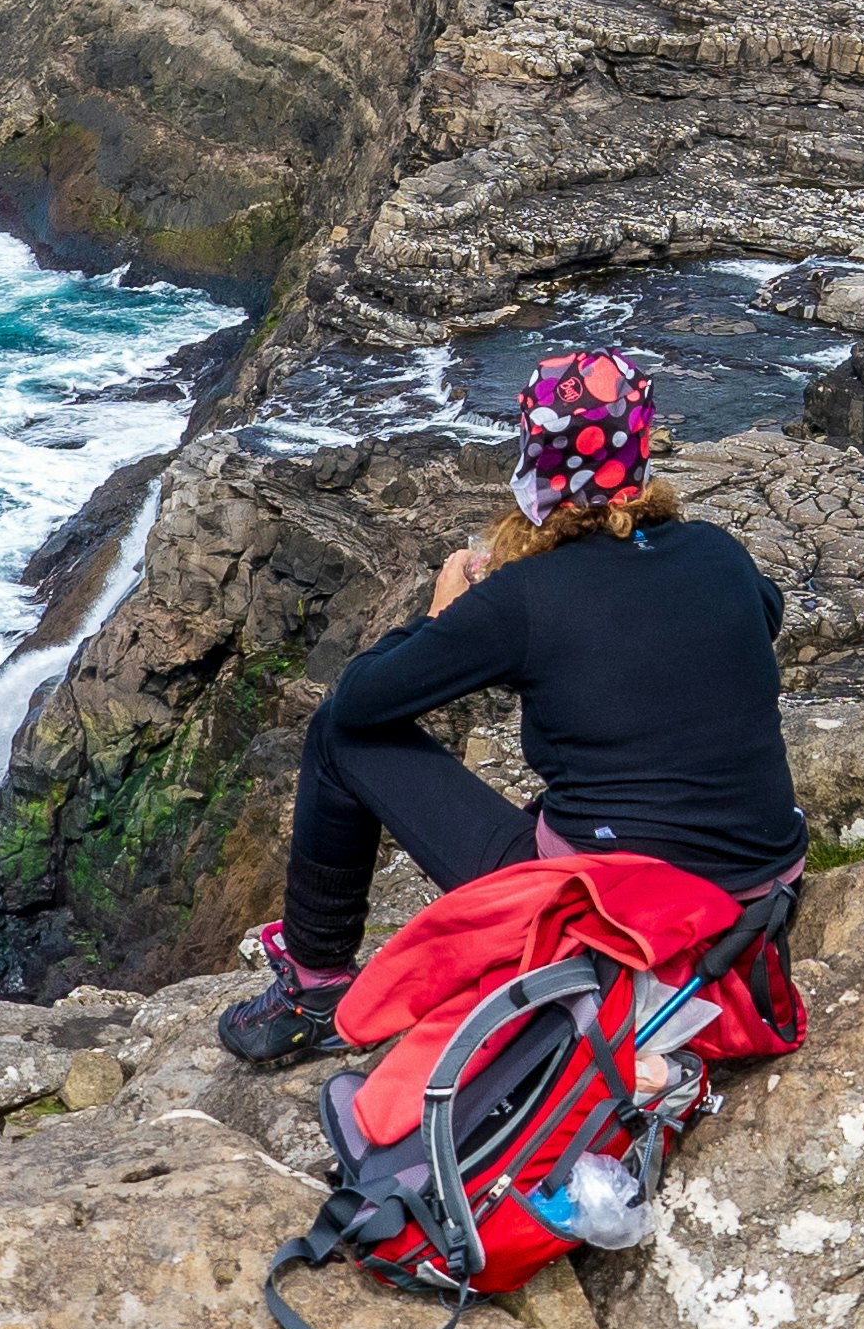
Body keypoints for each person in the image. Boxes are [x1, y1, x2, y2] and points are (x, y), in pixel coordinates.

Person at [220, 344, 810, 1068]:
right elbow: (767, 614)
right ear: (642, 446)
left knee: (337, 738)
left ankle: (314, 987)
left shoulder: (522, 598)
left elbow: (361, 702)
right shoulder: (719, 554)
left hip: (613, 913)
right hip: (761, 893)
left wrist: (444, 618)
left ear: (535, 453)